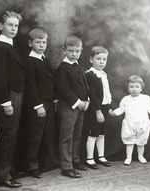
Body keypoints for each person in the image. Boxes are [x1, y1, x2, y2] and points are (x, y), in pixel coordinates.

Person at [0, 11, 24, 188]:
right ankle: (3, 174)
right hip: (8, 96)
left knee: (12, 134)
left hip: (16, 94)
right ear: (1, 26)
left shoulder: (11, 46)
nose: (13, 28)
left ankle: (9, 169)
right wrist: (6, 102)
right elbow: (0, 77)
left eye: (16, 26)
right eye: (10, 25)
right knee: (7, 135)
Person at [25, 28, 58, 178]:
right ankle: (32, 165)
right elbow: (31, 86)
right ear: (30, 43)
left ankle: (48, 161)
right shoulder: (30, 61)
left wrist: (54, 98)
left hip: (49, 102)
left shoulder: (43, 59)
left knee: (48, 133)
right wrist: (38, 106)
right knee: (35, 135)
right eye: (38, 42)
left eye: (44, 42)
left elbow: (50, 82)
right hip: (38, 104)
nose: (41, 45)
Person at [56, 35, 89, 178]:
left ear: (81, 51)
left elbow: (85, 86)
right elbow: (63, 90)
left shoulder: (78, 66)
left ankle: (75, 160)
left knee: (77, 134)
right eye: (71, 51)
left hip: (81, 106)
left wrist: (86, 100)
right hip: (69, 106)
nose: (74, 54)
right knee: (67, 136)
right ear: (64, 50)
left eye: (77, 51)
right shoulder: (63, 68)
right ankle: (66, 166)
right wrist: (78, 102)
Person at [112, 75, 150, 165]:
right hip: (129, 122)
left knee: (141, 141)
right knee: (129, 140)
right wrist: (114, 112)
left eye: (137, 87)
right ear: (128, 89)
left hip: (142, 122)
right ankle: (129, 157)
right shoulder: (125, 99)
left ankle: (141, 156)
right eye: (131, 87)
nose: (134, 89)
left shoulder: (146, 98)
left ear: (141, 88)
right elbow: (121, 109)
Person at [85, 46, 112, 170]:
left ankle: (101, 156)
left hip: (105, 107)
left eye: (104, 59)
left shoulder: (103, 74)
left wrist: (110, 107)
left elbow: (107, 93)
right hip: (96, 109)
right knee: (93, 134)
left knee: (101, 134)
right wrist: (98, 111)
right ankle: (90, 158)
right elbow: (93, 95)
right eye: (98, 59)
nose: (102, 62)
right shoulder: (90, 74)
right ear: (91, 59)